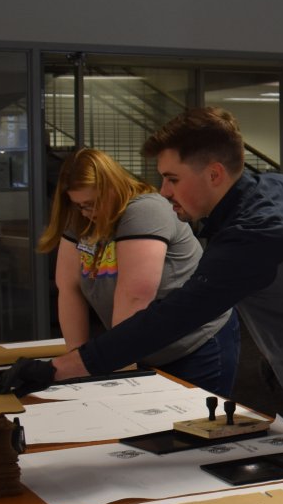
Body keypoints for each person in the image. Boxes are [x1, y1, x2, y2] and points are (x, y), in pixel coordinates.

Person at [0, 108, 283, 443]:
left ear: (213, 174)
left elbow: (170, 318)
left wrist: (56, 370)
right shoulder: (277, 188)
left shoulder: (256, 235)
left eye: (172, 179)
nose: (163, 192)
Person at [37, 147, 238, 394]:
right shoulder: (82, 216)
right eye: (80, 206)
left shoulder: (144, 210)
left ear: (113, 186)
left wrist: (108, 367)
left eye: (92, 203)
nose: (90, 213)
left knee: (192, 426)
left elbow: (134, 297)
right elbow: (69, 289)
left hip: (193, 344)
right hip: (143, 345)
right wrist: (74, 365)